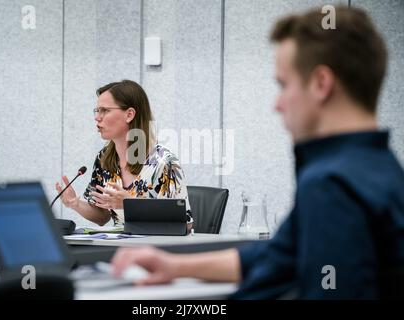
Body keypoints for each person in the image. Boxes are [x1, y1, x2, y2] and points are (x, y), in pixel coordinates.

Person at [111, 6, 404, 299]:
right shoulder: (382, 169)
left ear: (321, 84)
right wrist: (176, 266)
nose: (277, 104)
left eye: (283, 85)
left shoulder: (331, 184)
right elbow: (277, 255)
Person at [56, 80, 193, 230]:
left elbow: (184, 225)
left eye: (105, 110)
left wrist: (130, 204)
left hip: (153, 249)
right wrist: (75, 204)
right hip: (118, 246)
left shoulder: (164, 162)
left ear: (129, 115)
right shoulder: (104, 158)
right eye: (97, 110)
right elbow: (102, 216)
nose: (97, 117)